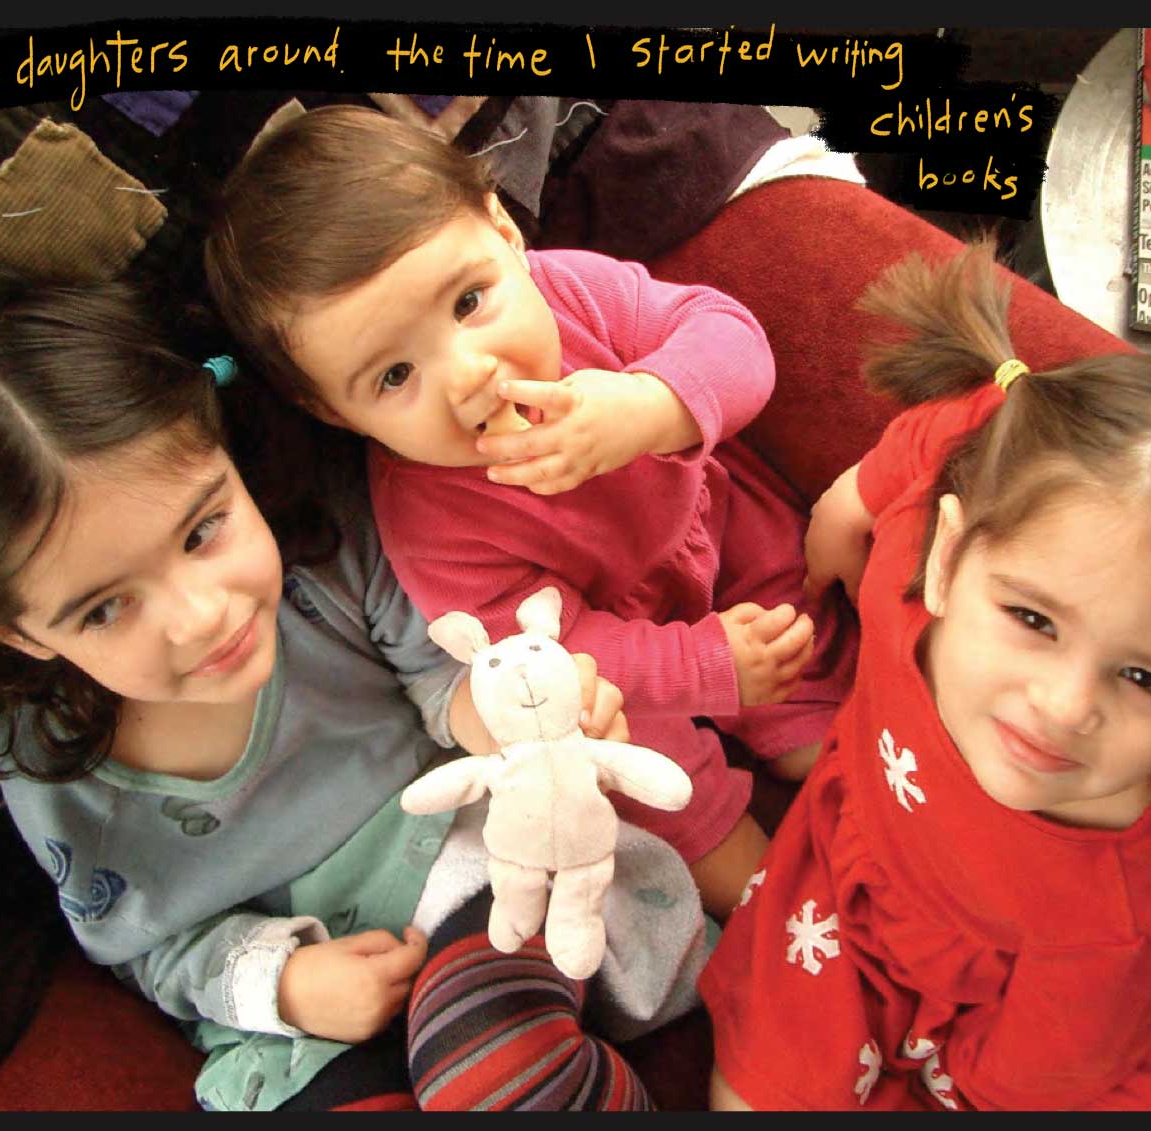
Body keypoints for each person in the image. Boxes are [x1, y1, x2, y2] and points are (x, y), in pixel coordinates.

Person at [0, 263, 714, 1112]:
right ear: (15, 631)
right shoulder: (50, 764)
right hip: (311, 1015)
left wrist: (523, 716)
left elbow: (444, 676)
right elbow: (148, 944)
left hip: (470, 875)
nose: (201, 615)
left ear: (222, 446)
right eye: (105, 609)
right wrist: (283, 984)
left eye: (203, 530)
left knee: (494, 1067)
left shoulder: (325, 556)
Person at [698, 240, 1151, 1110]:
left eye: (1147, 679)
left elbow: (1042, 1076)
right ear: (948, 555)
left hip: (1040, 1023)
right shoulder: (916, 542)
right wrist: (850, 501)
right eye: (1034, 621)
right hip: (844, 888)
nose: (1064, 705)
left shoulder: (1140, 900)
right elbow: (957, 422)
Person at [201, 104, 862, 919]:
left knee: (806, 667)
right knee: (620, 752)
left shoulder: (572, 290)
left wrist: (649, 405)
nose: (469, 374)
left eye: (468, 302)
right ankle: (784, 912)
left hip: (711, 525)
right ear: (334, 412)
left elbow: (732, 338)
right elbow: (551, 650)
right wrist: (702, 663)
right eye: (395, 376)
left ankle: (865, 772)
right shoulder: (426, 523)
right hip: (619, 661)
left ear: (503, 230)